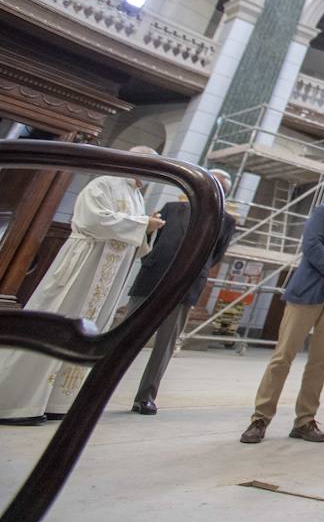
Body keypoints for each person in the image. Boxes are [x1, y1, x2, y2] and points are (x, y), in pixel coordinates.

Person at [0, 146, 165, 424]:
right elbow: (92, 220)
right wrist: (142, 223)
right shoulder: (104, 183)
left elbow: (132, 234)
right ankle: (18, 403)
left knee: (88, 330)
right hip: (84, 266)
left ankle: (57, 401)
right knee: (59, 321)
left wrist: (145, 228)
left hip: (107, 273)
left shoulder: (136, 194)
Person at [240, 168, 324, 444]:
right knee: (283, 357)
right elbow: (313, 246)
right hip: (307, 292)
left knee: (319, 363)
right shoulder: (323, 212)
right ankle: (260, 418)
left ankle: (304, 420)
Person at [127, 167, 238, 415]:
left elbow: (216, 254)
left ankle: (145, 396)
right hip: (153, 276)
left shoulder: (227, 221)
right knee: (128, 334)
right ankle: (102, 385)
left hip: (187, 283)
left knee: (165, 343)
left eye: (216, 185)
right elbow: (155, 239)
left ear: (223, 193)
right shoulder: (172, 208)